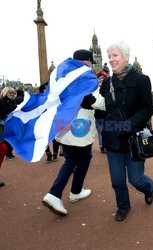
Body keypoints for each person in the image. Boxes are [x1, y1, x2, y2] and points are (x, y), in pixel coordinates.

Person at [42, 49, 105, 215]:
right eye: (90, 62)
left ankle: (76, 191)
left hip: (63, 128)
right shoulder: (85, 78)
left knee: (77, 158)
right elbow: (99, 103)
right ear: (87, 62)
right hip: (80, 129)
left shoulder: (62, 79)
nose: (91, 65)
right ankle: (55, 193)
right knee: (76, 159)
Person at [100, 41, 153, 222]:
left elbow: (147, 109)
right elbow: (104, 108)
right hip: (113, 138)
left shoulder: (142, 80)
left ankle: (149, 188)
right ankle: (123, 206)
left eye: (115, 55)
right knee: (117, 181)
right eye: (109, 56)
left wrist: (128, 125)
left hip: (133, 138)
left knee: (136, 180)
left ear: (126, 56)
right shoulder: (107, 82)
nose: (111, 60)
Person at [39, 82, 62, 163]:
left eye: (47, 88)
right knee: (44, 139)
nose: (46, 90)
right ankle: (48, 155)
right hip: (43, 121)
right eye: (44, 88)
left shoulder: (56, 98)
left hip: (55, 120)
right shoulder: (39, 99)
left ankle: (55, 153)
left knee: (55, 138)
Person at [0, 87, 17, 161]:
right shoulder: (2, 101)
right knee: (7, 139)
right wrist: (15, 107)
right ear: (5, 92)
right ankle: (8, 154)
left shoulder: (12, 101)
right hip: (4, 123)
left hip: (11, 122)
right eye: (10, 93)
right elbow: (4, 111)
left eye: (13, 93)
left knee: (13, 138)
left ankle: (10, 153)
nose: (12, 94)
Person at [95, 70, 108, 153]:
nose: (100, 79)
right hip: (98, 113)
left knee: (106, 130)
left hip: (106, 113)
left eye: (102, 78)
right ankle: (102, 146)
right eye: (99, 78)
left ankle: (105, 145)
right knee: (100, 130)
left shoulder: (107, 88)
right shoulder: (95, 88)